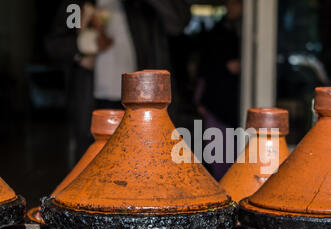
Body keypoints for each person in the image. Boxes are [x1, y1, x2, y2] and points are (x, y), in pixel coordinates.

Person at [46, 0, 191, 160]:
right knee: (92, 167)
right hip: (92, 104)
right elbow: (54, 45)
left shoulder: (140, 6)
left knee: (142, 164)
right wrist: (84, 43)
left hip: (139, 105)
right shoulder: (76, 5)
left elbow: (179, 22)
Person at [196, 0, 242, 180]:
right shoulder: (217, 32)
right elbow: (204, 68)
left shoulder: (251, 31)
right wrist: (199, 98)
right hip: (216, 101)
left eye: (237, 3)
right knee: (218, 153)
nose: (232, 7)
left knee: (239, 155)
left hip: (237, 102)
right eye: (230, 3)